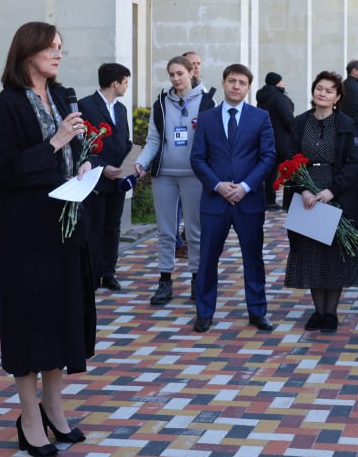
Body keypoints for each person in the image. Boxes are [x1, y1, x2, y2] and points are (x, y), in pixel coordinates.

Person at [0, 21, 91, 457]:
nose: (58, 54)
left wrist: (81, 163)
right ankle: (29, 419)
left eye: (61, 48)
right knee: (31, 325)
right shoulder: (8, 104)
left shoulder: (61, 96)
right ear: (28, 52)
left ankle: (54, 408)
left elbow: (70, 150)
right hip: (27, 233)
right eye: (51, 48)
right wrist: (56, 141)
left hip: (63, 226)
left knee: (60, 320)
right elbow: (6, 170)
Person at [189, 63, 277, 333]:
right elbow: (198, 158)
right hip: (215, 200)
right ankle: (204, 313)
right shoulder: (207, 118)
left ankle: (257, 311)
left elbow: (268, 157)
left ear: (248, 87)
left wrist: (245, 187)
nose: (236, 86)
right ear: (224, 82)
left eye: (242, 82)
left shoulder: (260, 117)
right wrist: (218, 186)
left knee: (253, 258)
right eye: (232, 81)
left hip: (248, 200)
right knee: (207, 259)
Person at [284, 71, 358, 334]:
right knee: (311, 253)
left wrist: (332, 190)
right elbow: (290, 158)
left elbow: (354, 162)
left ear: (337, 97)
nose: (323, 93)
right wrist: (304, 189)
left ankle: (331, 313)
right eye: (319, 88)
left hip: (336, 194)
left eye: (329, 90)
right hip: (307, 194)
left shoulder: (346, 124)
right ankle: (318, 311)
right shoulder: (300, 122)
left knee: (333, 255)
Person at [134, 56, 214, 306]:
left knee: (194, 231)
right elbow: (153, 140)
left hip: (194, 175)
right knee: (165, 231)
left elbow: (213, 140)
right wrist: (141, 162)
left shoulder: (207, 102)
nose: (176, 79)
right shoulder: (161, 103)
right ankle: (165, 280)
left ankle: (196, 279)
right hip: (164, 175)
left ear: (191, 73)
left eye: (180, 73)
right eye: (172, 74)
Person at [78, 63, 133, 293]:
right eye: (126, 82)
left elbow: (125, 142)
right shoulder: (85, 106)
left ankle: (109, 273)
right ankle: (93, 275)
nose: (127, 86)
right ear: (115, 83)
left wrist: (133, 162)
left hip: (118, 180)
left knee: (113, 227)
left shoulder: (121, 109)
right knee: (95, 227)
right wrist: (102, 167)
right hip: (95, 179)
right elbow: (81, 145)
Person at [256, 72, 296, 208]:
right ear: (277, 82)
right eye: (282, 80)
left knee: (271, 171)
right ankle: (289, 202)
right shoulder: (279, 97)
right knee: (293, 169)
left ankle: (269, 200)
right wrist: (296, 132)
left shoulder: (262, 97)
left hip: (266, 139)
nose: (284, 83)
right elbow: (288, 119)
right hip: (282, 139)